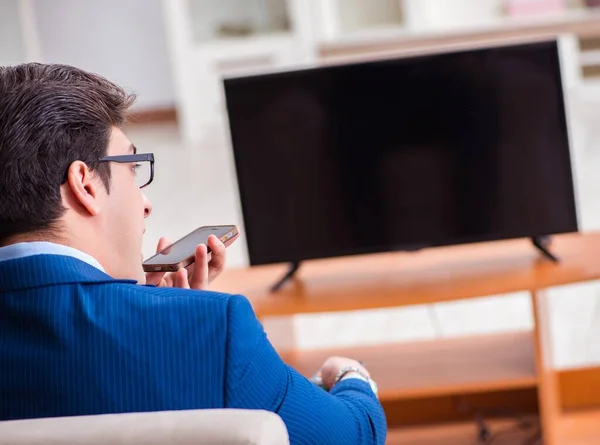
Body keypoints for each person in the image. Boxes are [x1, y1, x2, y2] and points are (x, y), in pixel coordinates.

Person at [0, 63, 387, 444]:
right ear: (84, 184)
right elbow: (356, 435)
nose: (145, 204)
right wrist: (351, 374)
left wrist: (157, 307)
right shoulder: (217, 329)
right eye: (133, 167)